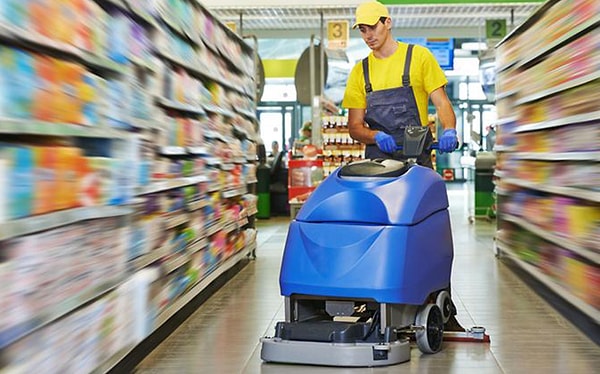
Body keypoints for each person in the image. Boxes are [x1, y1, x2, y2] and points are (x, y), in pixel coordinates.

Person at [342, 1, 458, 168]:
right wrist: (375, 136)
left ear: (388, 22)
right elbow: (354, 127)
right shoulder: (359, 71)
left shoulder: (419, 57)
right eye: (363, 30)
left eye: (373, 27)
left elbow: (441, 103)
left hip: (417, 160)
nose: (368, 35)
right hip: (379, 166)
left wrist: (449, 129)